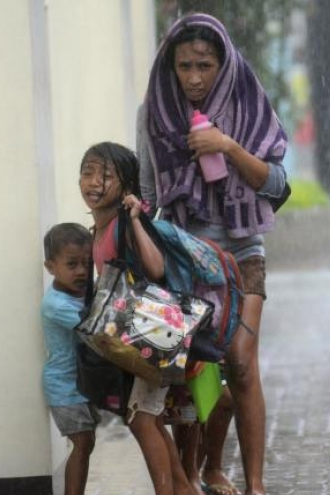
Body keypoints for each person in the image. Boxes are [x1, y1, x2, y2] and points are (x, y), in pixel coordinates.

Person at [138, 13, 289, 495]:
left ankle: (256, 484)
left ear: (222, 64)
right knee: (192, 372)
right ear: (171, 65)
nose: (195, 77)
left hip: (244, 251)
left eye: (205, 65)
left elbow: (278, 185)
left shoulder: (247, 101)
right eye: (185, 66)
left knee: (241, 361)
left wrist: (227, 146)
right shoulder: (154, 111)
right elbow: (146, 193)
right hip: (184, 252)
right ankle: (204, 468)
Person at [78, 141, 198, 495]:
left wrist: (134, 219)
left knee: (144, 419)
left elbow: (157, 268)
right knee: (150, 420)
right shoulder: (97, 230)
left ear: (126, 186)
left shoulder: (123, 224)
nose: (95, 183)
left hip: (151, 335)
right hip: (133, 341)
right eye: (88, 172)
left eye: (106, 176)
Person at [41, 222, 101, 495]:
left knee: (86, 442)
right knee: (82, 442)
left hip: (83, 382)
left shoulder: (82, 292)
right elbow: (94, 329)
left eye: (87, 264)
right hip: (64, 386)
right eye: (72, 264)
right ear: (50, 266)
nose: (81, 271)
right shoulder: (57, 304)